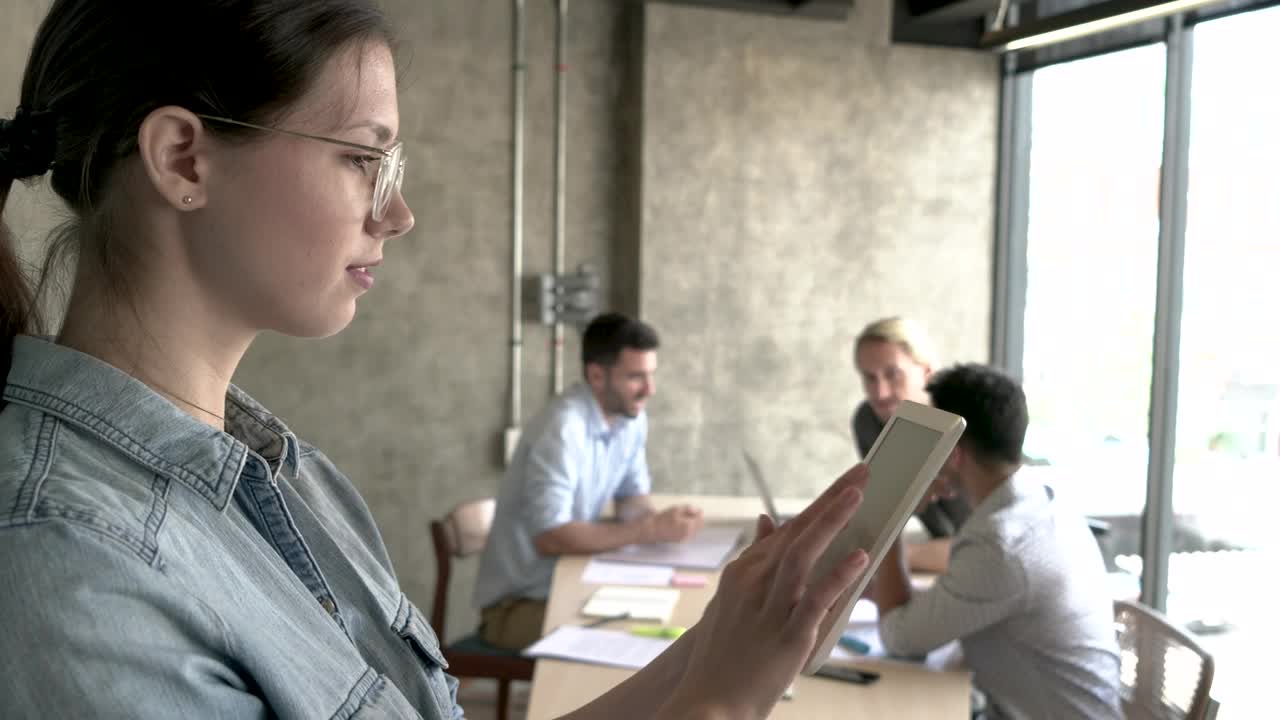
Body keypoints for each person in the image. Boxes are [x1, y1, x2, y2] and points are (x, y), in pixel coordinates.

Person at [0, 2, 874, 717]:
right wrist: (714, 705)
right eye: (361, 158)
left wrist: (711, 657)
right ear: (183, 158)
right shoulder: (69, 566)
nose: (398, 213)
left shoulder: (289, 476)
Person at [868, 364, 1122, 720]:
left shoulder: (999, 544)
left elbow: (900, 640)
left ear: (952, 450)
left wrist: (893, 509)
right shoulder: (1043, 501)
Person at [474, 312, 703, 651]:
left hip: (573, 583)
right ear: (597, 375)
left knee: (672, 622)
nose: (649, 390)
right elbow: (551, 537)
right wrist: (650, 530)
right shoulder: (563, 429)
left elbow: (631, 498)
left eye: (651, 375)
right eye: (636, 377)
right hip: (519, 606)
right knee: (637, 642)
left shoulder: (630, 418)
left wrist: (657, 523)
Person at [852, 316, 966, 571]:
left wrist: (878, 558)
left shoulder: (965, 427)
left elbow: (982, 552)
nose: (879, 393)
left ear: (927, 371)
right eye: (869, 378)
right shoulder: (868, 421)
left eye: (893, 375)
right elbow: (885, 512)